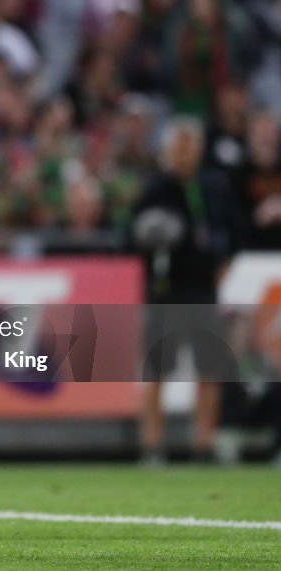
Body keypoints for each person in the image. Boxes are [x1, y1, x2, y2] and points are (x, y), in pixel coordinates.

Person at [131, 119, 240, 464]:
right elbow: (131, 236)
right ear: (167, 151)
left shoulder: (214, 185)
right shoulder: (155, 188)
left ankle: (203, 444)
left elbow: (234, 228)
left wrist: (224, 259)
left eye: (189, 147)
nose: (184, 155)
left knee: (209, 369)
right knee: (156, 370)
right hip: (166, 289)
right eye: (178, 148)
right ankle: (152, 445)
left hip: (202, 288)